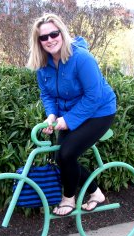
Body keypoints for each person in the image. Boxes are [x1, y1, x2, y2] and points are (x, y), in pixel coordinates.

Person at [27, 13, 117, 216]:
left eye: (53, 34)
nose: (50, 40)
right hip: (70, 113)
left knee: (66, 153)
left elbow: (94, 96)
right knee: (62, 157)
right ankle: (96, 193)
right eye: (44, 37)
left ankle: (68, 199)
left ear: (62, 33)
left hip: (100, 111)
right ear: (39, 42)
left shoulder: (81, 58)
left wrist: (67, 120)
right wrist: (51, 116)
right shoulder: (43, 65)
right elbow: (47, 94)